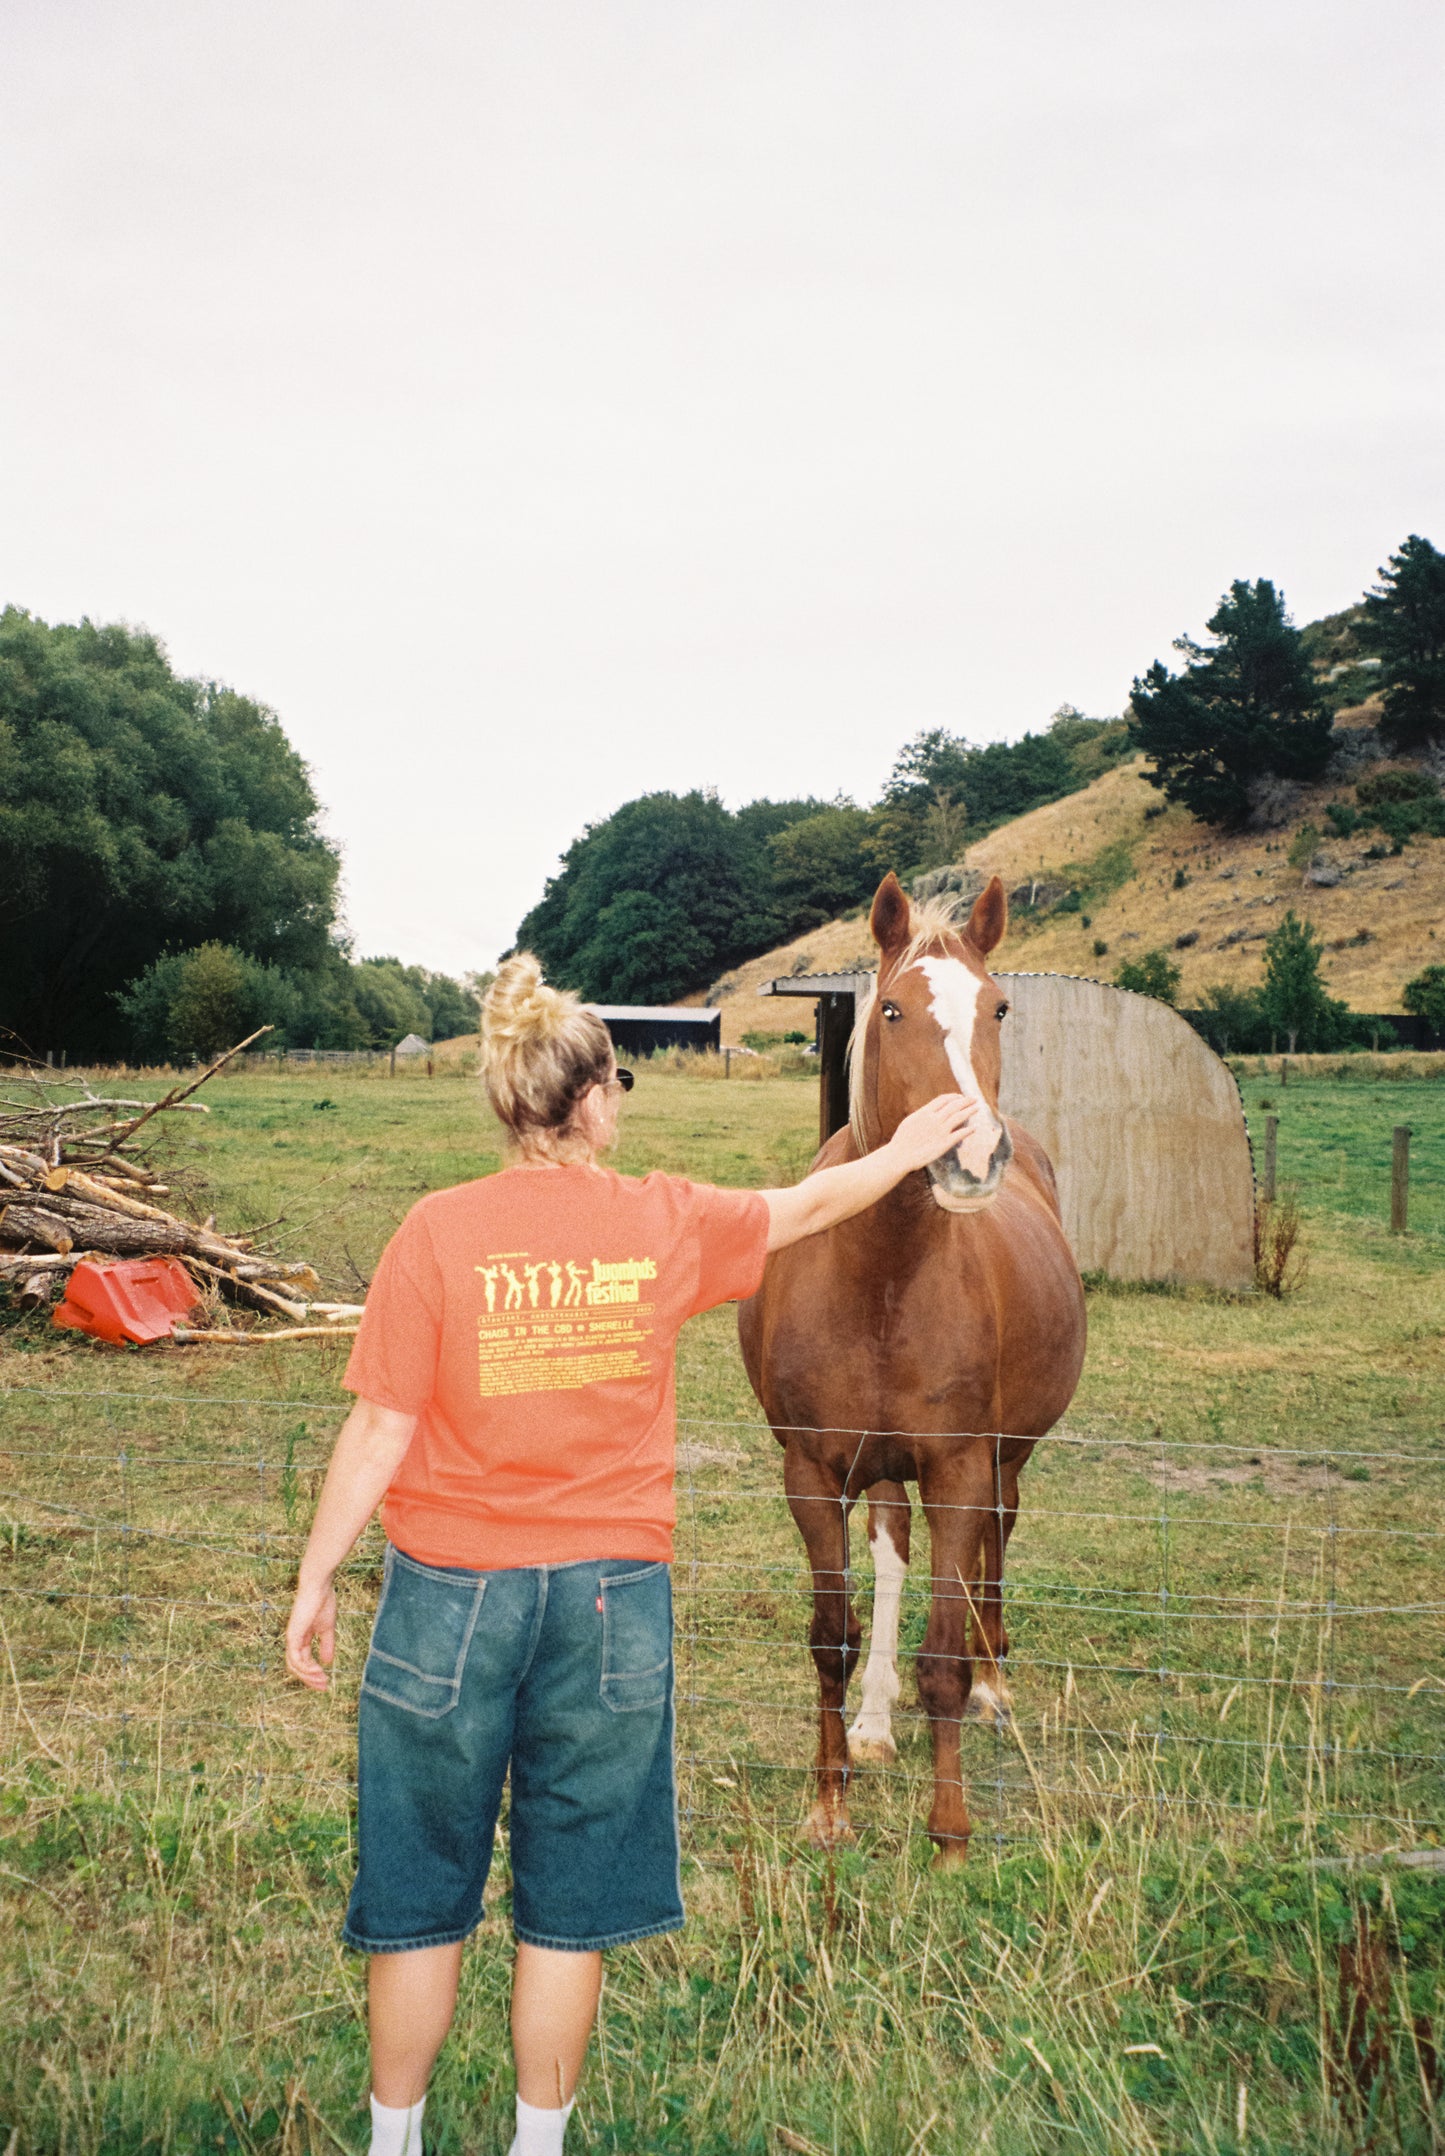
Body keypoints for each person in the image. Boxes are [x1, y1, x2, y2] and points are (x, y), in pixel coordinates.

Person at [284, 954, 976, 2156]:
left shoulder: (435, 1231)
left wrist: (313, 1578)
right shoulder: (662, 1221)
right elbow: (810, 1204)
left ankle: (391, 2144)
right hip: (610, 1608)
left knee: (418, 1896)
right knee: (567, 1911)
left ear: (507, 1104)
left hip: (444, 1600)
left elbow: (379, 1425)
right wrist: (914, 1140)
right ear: (595, 1098)